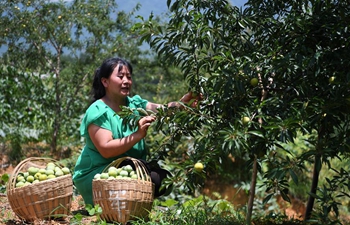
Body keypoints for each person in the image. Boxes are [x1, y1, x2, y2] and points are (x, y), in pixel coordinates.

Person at [72, 57, 200, 206]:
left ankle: (130, 207)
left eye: (129, 77)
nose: (126, 81)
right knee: (136, 172)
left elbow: (162, 109)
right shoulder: (98, 111)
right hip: (98, 174)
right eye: (120, 77)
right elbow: (106, 150)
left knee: (162, 179)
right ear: (105, 81)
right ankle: (111, 207)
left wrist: (181, 104)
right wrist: (137, 135)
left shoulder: (134, 104)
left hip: (126, 169)